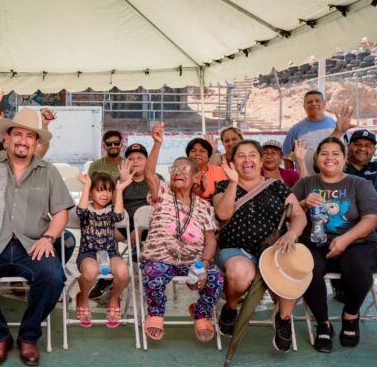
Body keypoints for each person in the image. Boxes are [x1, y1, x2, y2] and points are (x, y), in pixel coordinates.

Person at [0, 87, 74, 367]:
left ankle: (29, 336)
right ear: (6, 139)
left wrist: (48, 238)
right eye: (17, 134)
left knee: (54, 276)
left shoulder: (48, 171)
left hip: (31, 245)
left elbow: (60, 214)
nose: (23, 141)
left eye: (29, 136)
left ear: (35, 142)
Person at [292, 137, 377, 354]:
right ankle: (323, 324)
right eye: (324, 153)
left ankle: (351, 315)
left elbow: (371, 218)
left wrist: (345, 239)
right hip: (315, 243)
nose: (330, 158)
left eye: (336, 153)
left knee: (358, 264)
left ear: (344, 159)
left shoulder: (359, 184)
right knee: (306, 267)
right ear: (316, 158)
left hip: (358, 242)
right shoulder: (305, 184)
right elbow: (288, 213)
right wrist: (304, 203)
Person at [213, 140, 306, 352]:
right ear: (232, 162)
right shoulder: (222, 186)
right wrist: (233, 183)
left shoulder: (277, 186)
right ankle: (231, 306)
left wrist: (291, 234)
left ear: (261, 160)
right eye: (241, 156)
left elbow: (299, 215)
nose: (247, 160)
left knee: (293, 268)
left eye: (252, 155)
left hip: (274, 251)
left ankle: (283, 318)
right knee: (239, 271)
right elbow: (222, 214)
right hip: (235, 249)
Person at [141, 123, 223, 343]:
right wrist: (157, 143)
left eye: (185, 169)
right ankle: (156, 314)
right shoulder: (163, 194)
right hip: (161, 258)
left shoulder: (204, 206)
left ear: (197, 178)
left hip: (193, 262)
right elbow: (149, 174)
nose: (178, 172)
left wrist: (204, 263)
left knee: (215, 278)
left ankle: (201, 314)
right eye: (174, 169)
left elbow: (210, 240)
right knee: (155, 273)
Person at [89, 142, 158, 301]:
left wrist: (139, 229)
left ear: (147, 161)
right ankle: (109, 273)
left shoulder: (155, 179)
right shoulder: (117, 180)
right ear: (125, 162)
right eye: (131, 158)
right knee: (102, 230)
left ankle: (144, 264)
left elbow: (161, 208)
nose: (135, 161)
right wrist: (122, 183)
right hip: (123, 226)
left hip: (150, 229)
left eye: (140, 158)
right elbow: (109, 206)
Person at [74, 169, 131, 328]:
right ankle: (84, 298)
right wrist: (86, 185)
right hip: (88, 253)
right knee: (90, 271)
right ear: (91, 193)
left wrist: (119, 190)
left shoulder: (112, 210)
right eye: (99, 190)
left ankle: (114, 300)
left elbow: (119, 217)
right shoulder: (86, 210)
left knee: (123, 272)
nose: (105, 194)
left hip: (110, 252)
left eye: (109, 190)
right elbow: (80, 211)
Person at [282, 90, 338, 175]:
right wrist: (292, 179)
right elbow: (287, 157)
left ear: (324, 104)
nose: (314, 104)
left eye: (317, 101)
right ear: (304, 106)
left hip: (333, 182)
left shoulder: (336, 126)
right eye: (309, 102)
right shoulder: (296, 130)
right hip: (306, 183)